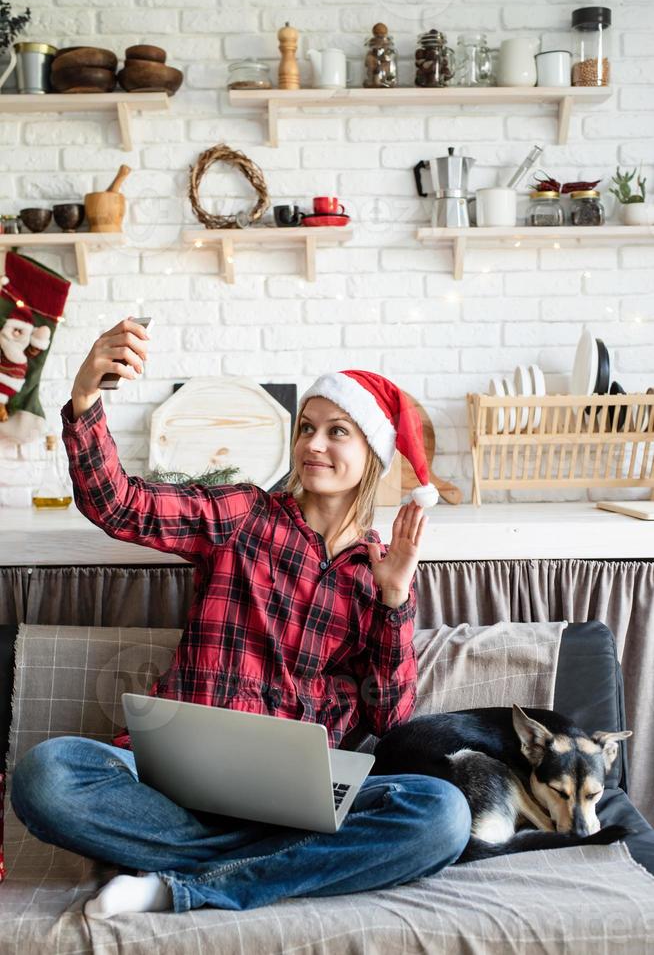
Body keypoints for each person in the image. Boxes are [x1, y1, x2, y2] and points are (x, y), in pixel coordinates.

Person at [10, 318, 472, 918]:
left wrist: (395, 598)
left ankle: (180, 882)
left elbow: (390, 716)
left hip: (293, 802)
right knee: (45, 777)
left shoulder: (379, 575)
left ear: (372, 455)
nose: (313, 445)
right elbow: (119, 504)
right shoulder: (241, 514)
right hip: (171, 790)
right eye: (306, 427)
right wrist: (86, 396)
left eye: (337, 432)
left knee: (442, 815)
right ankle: (265, 867)